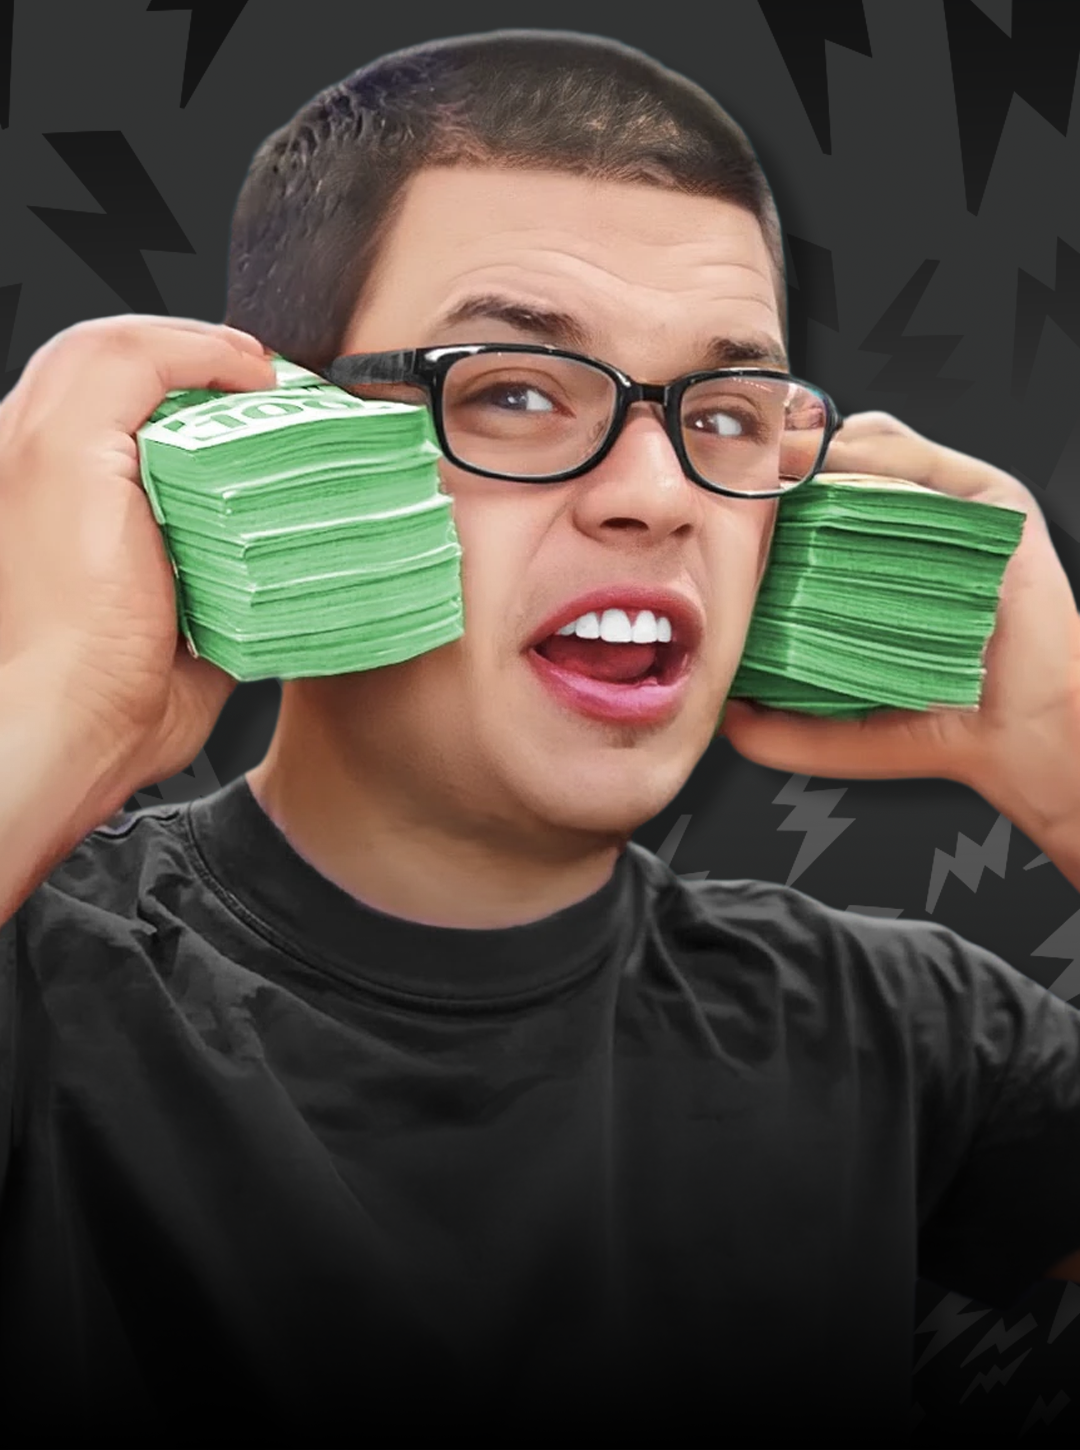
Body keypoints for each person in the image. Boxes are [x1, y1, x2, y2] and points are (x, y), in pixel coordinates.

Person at [1, 28, 1079, 1450]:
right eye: (513, 389)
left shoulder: (904, 1028)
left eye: (728, 412)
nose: (658, 493)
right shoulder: (42, 982)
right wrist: (50, 697)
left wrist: (1066, 749)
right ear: (274, 451)